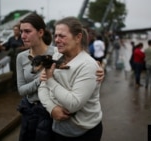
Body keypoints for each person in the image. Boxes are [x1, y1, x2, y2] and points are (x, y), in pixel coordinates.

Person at [16, 13, 104, 141]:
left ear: (41, 32)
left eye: (61, 36)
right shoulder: (55, 56)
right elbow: (40, 86)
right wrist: (52, 108)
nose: (57, 39)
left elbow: (73, 101)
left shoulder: (57, 53)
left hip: (77, 128)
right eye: (56, 36)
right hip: (50, 121)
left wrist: (96, 68)